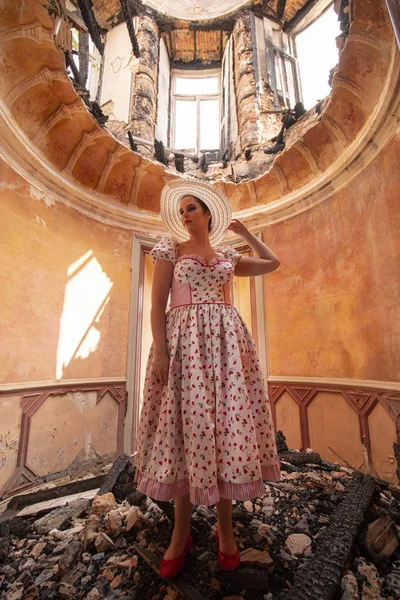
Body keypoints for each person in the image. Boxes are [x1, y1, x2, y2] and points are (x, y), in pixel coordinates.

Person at [134, 179, 281, 578]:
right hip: (184, 347)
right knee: (187, 432)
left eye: (191, 209)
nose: (184, 216)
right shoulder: (171, 250)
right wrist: (161, 351)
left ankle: (226, 531)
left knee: (226, 433)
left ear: (208, 213)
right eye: (181, 210)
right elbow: (156, 305)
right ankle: (181, 533)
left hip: (228, 347)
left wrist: (246, 233)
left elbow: (271, 263)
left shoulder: (229, 255)